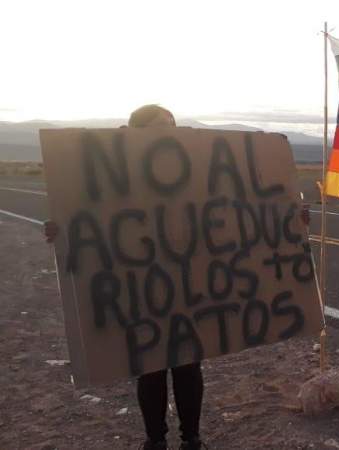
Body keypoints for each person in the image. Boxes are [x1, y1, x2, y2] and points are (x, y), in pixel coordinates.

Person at [44, 104, 311, 449]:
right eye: (159, 126)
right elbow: (85, 217)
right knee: (150, 369)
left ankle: (192, 438)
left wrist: (286, 218)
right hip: (140, 286)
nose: (169, 131)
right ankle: (155, 440)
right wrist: (61, 231)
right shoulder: (119, 174)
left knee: (187, 366)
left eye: (172, 125)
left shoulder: (193, 172)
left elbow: (233, 210)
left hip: (186, 287)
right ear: (136, 131)